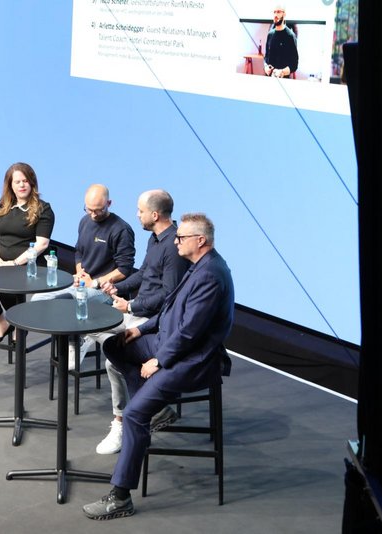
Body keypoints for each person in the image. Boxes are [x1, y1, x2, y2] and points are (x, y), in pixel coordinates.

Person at [83, 212, 234, 521]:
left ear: (200, 241)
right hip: (169, 344)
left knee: (133, 414)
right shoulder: (199, 265)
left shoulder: (210, 274)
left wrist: (159, 360)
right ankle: (155, 408)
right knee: (115, 345)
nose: (176, 241)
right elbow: (169, 311)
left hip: (191, 360)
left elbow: (190, 332)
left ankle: (120, 497)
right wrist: (140, 330)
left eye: (181, 238)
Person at [92, 189, 190, 455]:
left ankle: (123, 420)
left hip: (151, 319)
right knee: (91, 325)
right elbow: (144, 274)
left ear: (155, 215)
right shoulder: (155, 239)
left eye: (140, 210)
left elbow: (169, 296)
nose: (137, 215)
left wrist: (131, 306)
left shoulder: (173, 247)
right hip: (136, 310)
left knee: (112, 361)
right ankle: (149, 403)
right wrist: (117, 287)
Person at [30, 184, 135, 364]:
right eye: (89, 209)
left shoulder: (121, 229)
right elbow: (79, 251)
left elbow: (124, 269)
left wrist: (94, 282)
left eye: (98, 210)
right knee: (38, 300)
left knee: (65, 303)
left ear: (109, 203)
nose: (93, 214)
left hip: (106, 291)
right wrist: (80, 272)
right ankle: (76, 336)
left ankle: (76, 341)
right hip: (83, 283)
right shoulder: (85, 221)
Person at [0, 162, 54, 343]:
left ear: (32, 183)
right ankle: (3, 322)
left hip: (26, 264)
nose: (22, 185)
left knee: (7, 291)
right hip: (1, 261)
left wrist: (14, 263)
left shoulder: (43, 209)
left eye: (25, 181)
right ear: (10, 185)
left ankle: (19, 326)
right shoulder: (4, 205)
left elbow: (41, 244)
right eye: (17, 182)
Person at [264, 4, 298, 78]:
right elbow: (266, 57)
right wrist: (266, 67)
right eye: (274, 12)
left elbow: (294, 64)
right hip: (269, 78)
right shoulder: (270, 34)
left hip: (283, 80)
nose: (276, 15)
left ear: (284, 14)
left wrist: (282, 71)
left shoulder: (290, 36)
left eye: (278, 12)